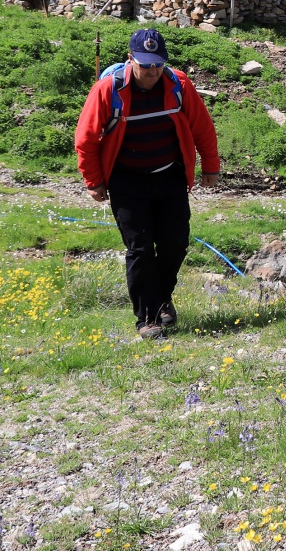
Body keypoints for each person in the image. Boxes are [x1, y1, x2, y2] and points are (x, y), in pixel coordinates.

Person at [75, 28, 221, 340]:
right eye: (145, 65)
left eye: (157, 64)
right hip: (126, 179)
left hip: (169, 175)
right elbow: (85, 139)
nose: (152, 72)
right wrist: (94, 182)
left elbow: (202, 127)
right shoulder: (108, 89)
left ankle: (162, 299)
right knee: (139, 248)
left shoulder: (178, 84)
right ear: (131, 60)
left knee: (174, 243)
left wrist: (211, 166)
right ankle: (147, 319)